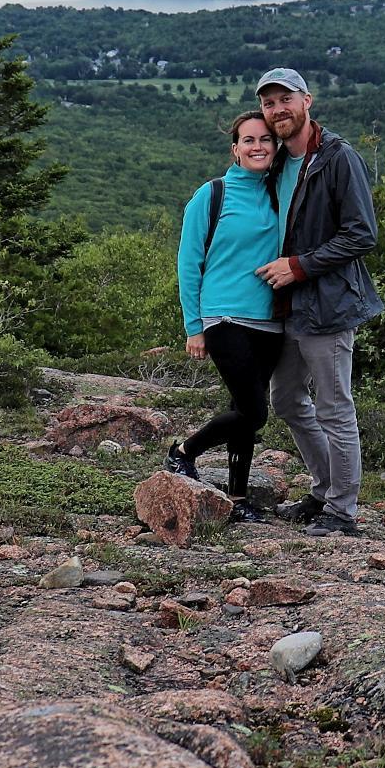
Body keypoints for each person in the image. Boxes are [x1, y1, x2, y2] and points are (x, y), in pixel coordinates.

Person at [253, 65, 382, 537]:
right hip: (285, 307)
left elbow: (361, 234)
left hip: (325, 304)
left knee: (333, 407)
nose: (277, 109)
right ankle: (325, 488)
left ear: (307, 101)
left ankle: (342, 512)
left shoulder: (337, 157)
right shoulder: (276, 162)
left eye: (285, 99)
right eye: (269, 103)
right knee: (286, 399)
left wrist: (299, 266)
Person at [164, 109, 287, 521]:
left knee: (243, 412)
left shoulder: (281, 192)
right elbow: (188, 262)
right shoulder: (212, 194)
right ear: (235, 149)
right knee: (254, 411)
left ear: (276, 145)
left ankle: (237, 501)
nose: (257, 147)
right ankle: (183, 452)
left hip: (270, 321)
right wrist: (193, 326)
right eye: (248, 140)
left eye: (265, 140)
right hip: (223, 317)